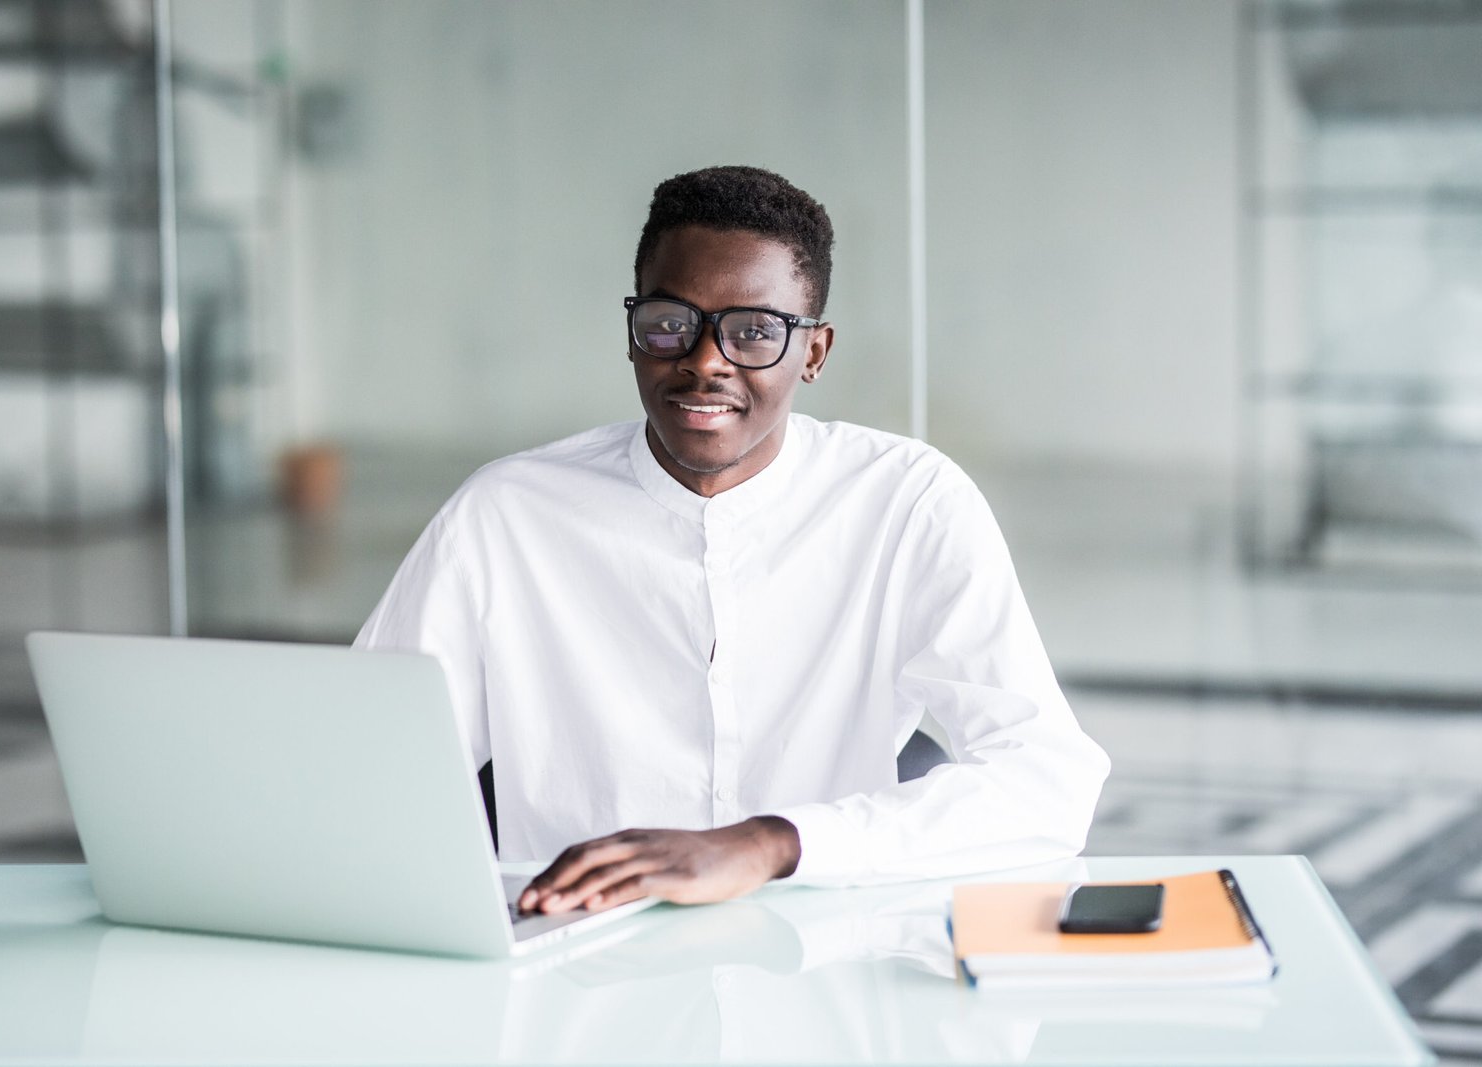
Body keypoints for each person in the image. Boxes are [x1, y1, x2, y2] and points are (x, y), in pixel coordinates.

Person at [356, 165, 1108, 916]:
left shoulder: (909, 503)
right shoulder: (504, 517)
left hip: (821, 973)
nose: (705, 359)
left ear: (814, 352)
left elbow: (1045, 782)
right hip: (571, 981)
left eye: (754, 331)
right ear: (632, 334)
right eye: (669, 322)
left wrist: (770, 843)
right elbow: (360, 768)